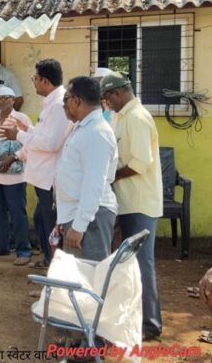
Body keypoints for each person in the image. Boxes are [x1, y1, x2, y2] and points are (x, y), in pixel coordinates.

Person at [101, 72, 163, 339]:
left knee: (141, 264)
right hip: (124, 201)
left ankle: (150, 324)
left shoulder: (137, 117)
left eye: (108, 99)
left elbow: (140, 163)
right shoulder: (121, 116)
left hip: (138, 201)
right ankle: (133, 317)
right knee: (126, 264)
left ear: (118, 93)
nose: (107, 104)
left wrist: (110, 175)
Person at [0, 58, 71, 269]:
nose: (34, 82)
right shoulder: (50, 103)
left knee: (51, 227)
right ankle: (50, 261)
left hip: (51, 177)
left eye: (35, 78)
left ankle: (56, 273)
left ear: (46, 81)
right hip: (43, 176)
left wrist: (19, 134)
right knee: (41, 220)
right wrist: (28, 131)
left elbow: (52, 143)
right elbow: (43, 136)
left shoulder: (58, 105)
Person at [56, 76, 118, 262]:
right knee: (76, 278)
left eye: (65, 99)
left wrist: (79, 226)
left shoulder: (96, 132)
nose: (64, 105)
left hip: (91, 218)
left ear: (77, 100)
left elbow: (94, 184)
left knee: (89, 277)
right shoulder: (84, 127)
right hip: (78, 213)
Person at [0, 87, 33, 264]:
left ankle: (23, 251)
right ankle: (2, 245)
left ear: (13, 100)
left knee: (17, 213)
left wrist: (12, 158)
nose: (0, 102)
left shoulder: (21, 119)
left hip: (15, 176)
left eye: (4, 98)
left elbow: (31, 143)